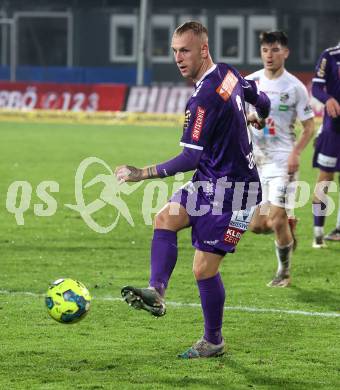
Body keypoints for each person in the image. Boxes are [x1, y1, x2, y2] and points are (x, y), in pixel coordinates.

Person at [115, 21, 270, 359]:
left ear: (203, 49)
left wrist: (141, 173)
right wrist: (261, 114)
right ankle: (156, 291)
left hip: (236, 194)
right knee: (165, 218)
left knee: (203, 269)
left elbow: (189, 157)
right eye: (174, 51)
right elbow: (259, 94)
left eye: (184, 50)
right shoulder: (227, 73)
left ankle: (213, 341)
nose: (178, 58)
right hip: (209, 181)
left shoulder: (201, 100)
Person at [246, 31, 314, 287]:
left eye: (275, 50)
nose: (269, 55)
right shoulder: (250, 82)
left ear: (285, 52)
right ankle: (287, 231)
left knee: (275, 219)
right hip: (256, 161)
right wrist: (248, 119)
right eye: (265, 50)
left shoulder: (294, 87)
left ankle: (283, 272)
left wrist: (296, 153)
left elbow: (309, 126)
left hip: (283, 161)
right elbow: (234, 117)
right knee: (256, 226)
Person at [311, 43, 340, 247]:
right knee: (325, 179)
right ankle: (318, 233)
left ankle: (338, 229)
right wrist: (328, 99)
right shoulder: (329, 55)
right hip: (333, 129)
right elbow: (315, 87)